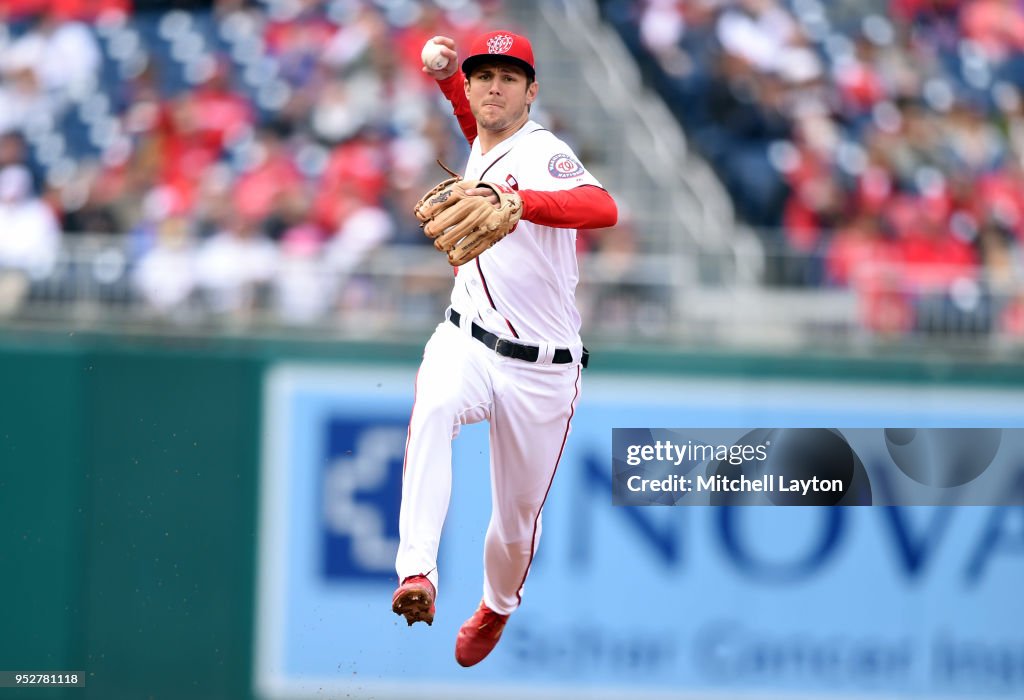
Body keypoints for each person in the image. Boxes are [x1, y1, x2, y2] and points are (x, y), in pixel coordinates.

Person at [391, 30, 618, 667]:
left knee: (515, 522)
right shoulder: (480, 142)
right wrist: (443, 83)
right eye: (483, 75)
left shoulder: (543, 152)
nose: (495, 87)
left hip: (543, 369)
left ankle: (496, 605)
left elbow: (603, 208)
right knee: (433, 408)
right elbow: (478, 128)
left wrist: (517, 202)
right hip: (466, 337)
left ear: (531, 91)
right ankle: (417, 574)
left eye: (509, 77)